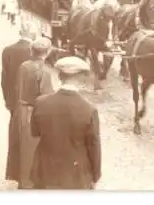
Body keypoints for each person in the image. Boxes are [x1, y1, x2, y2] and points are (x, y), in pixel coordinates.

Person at [30, 56, 102, 190]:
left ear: (59, 77)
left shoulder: (40, 102)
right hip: (75, 174)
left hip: (45, 170)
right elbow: (94, 146)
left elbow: (35, 132)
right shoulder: (89, 110)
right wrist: (95, 175)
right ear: (82, 79)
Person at [9, 37, 55, 189]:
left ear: (31, 51)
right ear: (47, 53)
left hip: (20, 110)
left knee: (21, 147)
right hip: (34, 112)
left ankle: (22, 180)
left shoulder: (23, 66)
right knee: (33, 148)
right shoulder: (44, 72)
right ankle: (31, 182)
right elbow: (45, 97)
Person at [3, 22, 37, 183]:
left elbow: (4, 79)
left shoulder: (8, 50)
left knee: (15, 135)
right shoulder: (35, 52)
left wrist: (8, 100)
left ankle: (15, 171)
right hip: (32, 102)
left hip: (14, 101)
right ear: (32, 35)